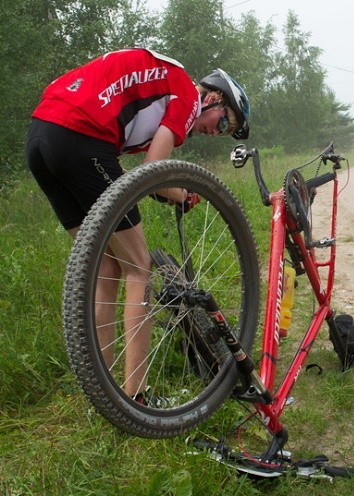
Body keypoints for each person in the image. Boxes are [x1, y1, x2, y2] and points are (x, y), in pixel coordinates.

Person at [25, 48, 250, 403]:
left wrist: (173, 192)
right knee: (138, 269)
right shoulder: (188, 95)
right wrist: (184, 194)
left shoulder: (157, 87)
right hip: (80, 136)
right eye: (223, 123)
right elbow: (153, 169)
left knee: (106, 267)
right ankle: (136, 396)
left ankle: (103, 394)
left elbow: (127, 179)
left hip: (41, 138)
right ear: (214, 97)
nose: (215, 133)